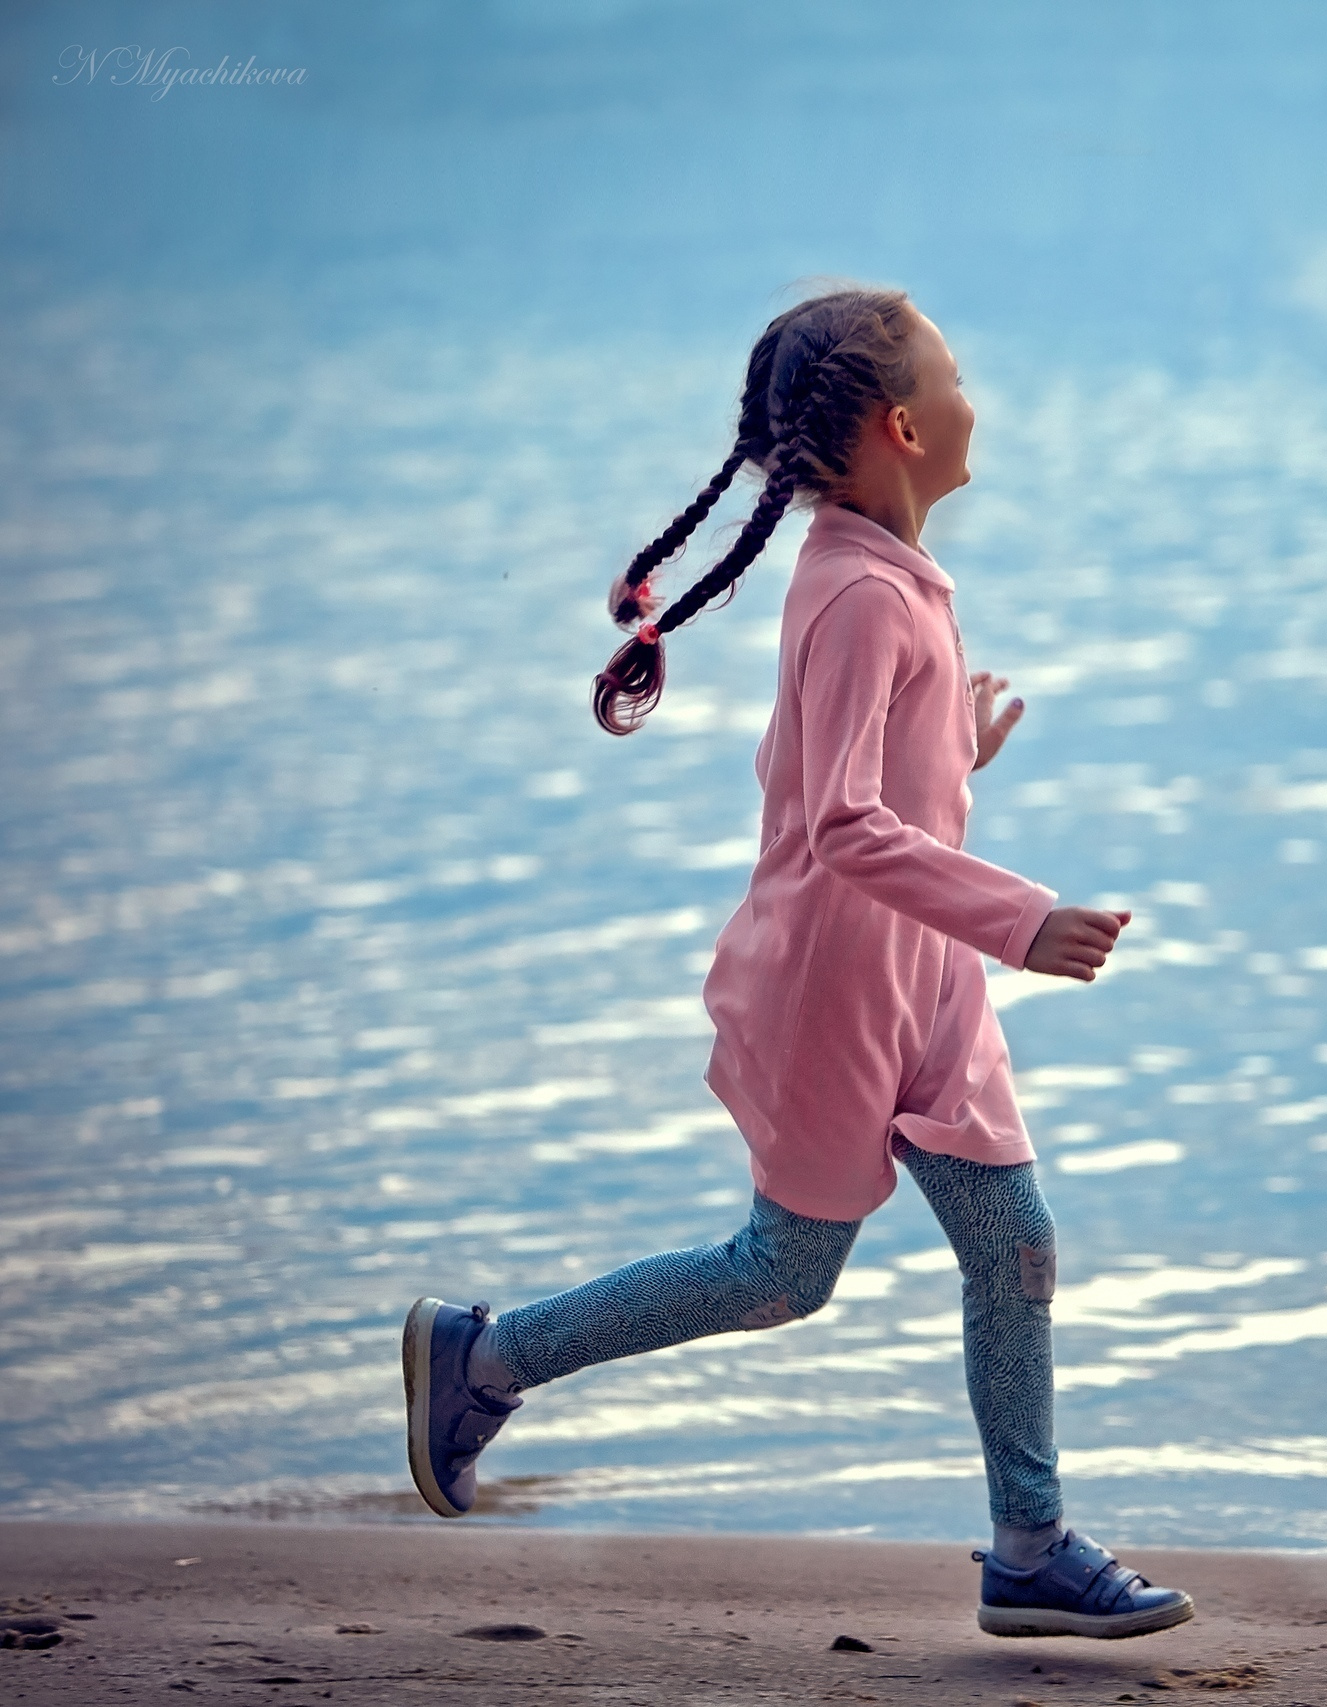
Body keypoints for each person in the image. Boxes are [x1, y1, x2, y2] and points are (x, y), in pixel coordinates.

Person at [401, 285, 1192, 1641]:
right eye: (952, 379)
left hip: (926, 977)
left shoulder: (879, 576)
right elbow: (833, 825)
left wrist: (954, 758)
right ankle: (489, 1358)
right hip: (839, 992)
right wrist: (1021, 918)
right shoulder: (857, 598)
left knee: (1015, 1245)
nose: (971, 402)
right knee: (783, 1274)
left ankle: (1030, 1544)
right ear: (902, 425)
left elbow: (818, 773)